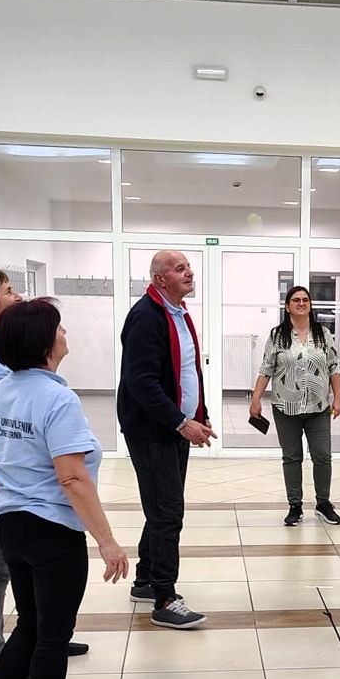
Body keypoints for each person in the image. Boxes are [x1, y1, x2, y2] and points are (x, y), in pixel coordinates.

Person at [0, 298, 129, 679]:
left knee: (29, 623)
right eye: (59, 328)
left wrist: (17, 497)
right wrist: (107, 541)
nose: (65, 334)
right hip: (52, 532)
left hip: (12, 524)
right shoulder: (58, 399)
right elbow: (72, 477)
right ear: (44, 342)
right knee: (53, 633)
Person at [0, 269, 88, 679]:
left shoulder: (0, 345)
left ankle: (45, 635)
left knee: (26, 566)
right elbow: (14, 419)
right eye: (8, 291)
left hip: (11, 471)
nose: (17, 296)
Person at [117, 250, 213, 630]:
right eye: (179, 268)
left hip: (173, 427)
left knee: (161, 507)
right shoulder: (146, 317)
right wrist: (180, 422)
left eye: (188, 267)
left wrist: (199, 413)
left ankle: (145, 579)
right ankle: (164, 598)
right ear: (159, 279)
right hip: (152, 430)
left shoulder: (177, 313)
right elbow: (141, 383)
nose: (189, 273)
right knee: (168, 512)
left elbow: (187, 370)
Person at [249, 285, 340, 527]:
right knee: (292, 457)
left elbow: (334, 367)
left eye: (305, 300)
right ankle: (295, 506)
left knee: (323, 456)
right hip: (285, 407)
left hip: (318, 407)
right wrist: (256, 399)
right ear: (287, 306)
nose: (301, 303)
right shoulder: (278, 335)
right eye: (296, 300)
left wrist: (339, 398)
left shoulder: (323, 333)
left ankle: (323, 504)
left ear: (310, 305)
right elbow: (266, 368)